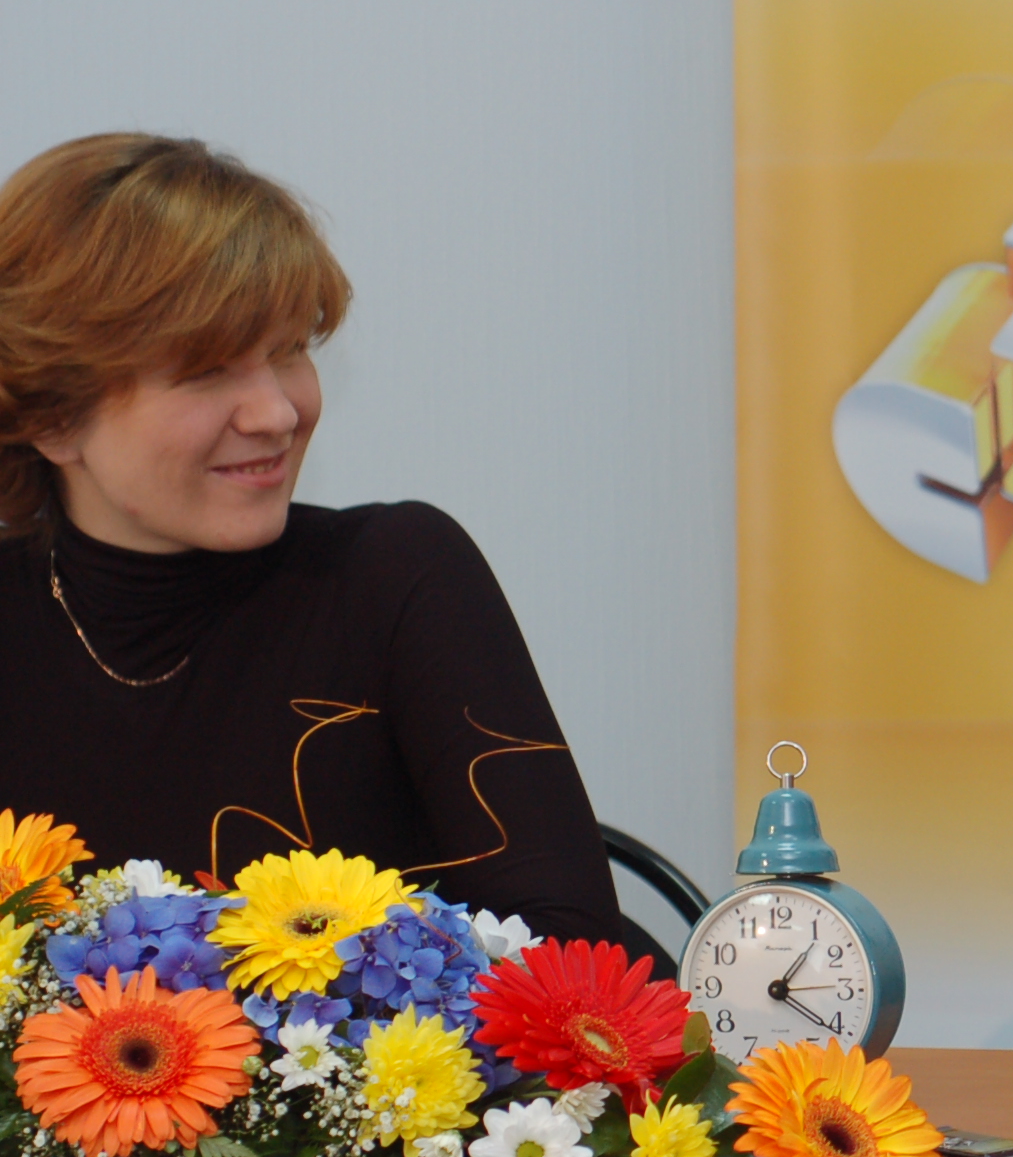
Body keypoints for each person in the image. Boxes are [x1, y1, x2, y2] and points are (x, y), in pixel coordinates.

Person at [0, 133, 624, 943]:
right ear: (52, 414)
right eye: (206, 370)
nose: (278, 412)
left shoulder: (396, 576)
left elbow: (573, 950)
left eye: (290, 349)